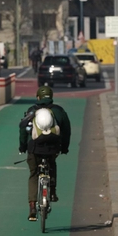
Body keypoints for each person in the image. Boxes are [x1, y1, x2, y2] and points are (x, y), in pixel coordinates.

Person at [19, 86, 71, 221]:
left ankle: (32, 206)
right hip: (53, 148)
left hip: (34, 148)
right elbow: (67, 131)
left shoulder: (31, 111)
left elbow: (23, 129)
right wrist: (64, 147)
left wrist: (23, 146)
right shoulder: (59, 111)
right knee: (51, 165)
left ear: (38, 97)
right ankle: (52, 192)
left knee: (34, 174)